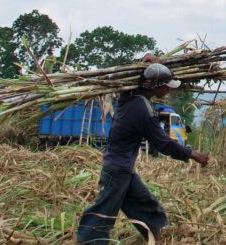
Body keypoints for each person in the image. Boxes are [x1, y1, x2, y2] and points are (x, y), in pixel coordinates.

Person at [76, 59, 209, 244]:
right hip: (118, 169)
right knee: (103, 213)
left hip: (121, 168)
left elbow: (126, 76)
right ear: (155, 87)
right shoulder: (142, 109)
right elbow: (164, 144)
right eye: (166, 86)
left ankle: (154, 237)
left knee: (146, 206)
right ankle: (87, 241)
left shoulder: (129, 96)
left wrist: (144, 60)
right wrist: (194, 154)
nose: (168, 90)